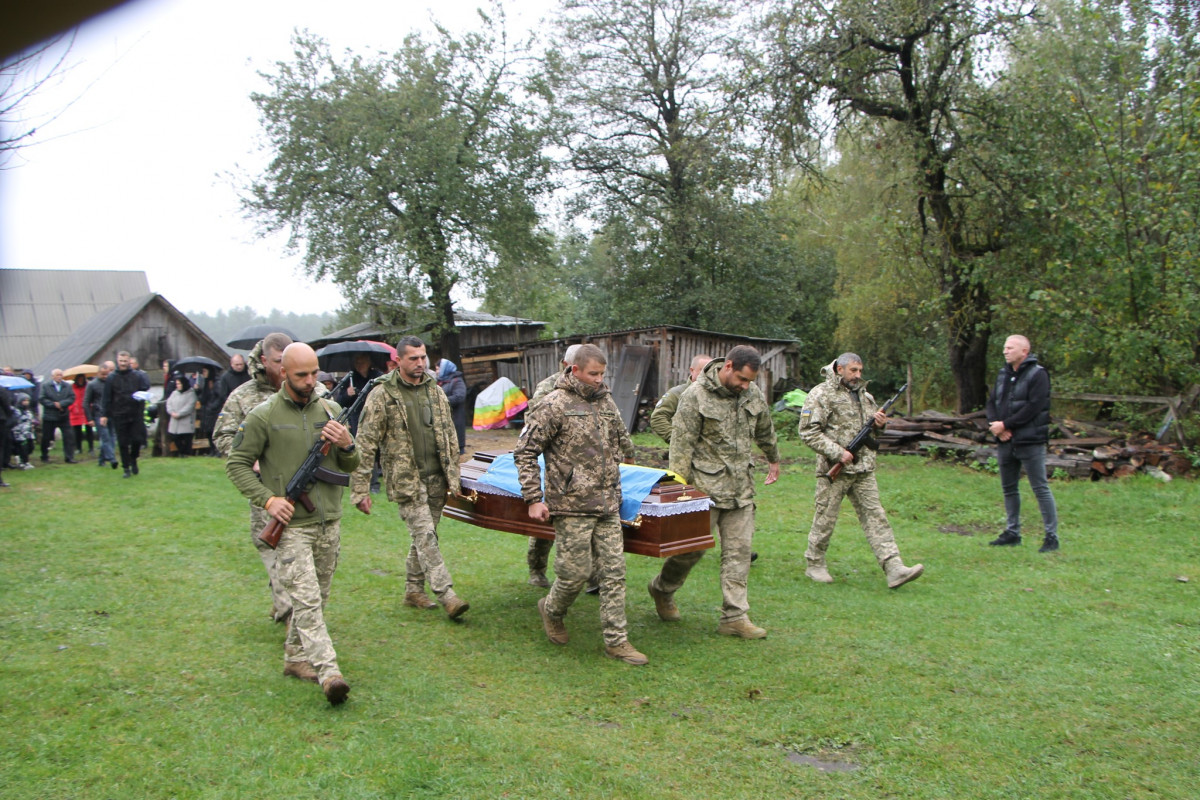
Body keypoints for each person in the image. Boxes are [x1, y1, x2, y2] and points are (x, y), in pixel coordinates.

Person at [225, 342, 359, 705]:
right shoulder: (262, 415)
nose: (310, 381)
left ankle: (295, 657)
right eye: (302, 375)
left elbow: (351, 466)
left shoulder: (331, 410)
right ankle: (329, 673)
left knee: (320, 595)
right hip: (292, 527)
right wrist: (268, 499)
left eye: (315, 373)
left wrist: (348, 445)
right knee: (308, 598)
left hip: (328, 520)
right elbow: (236, 464)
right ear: (282, 373)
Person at [514, 343, 646, 665]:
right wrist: (533, 498)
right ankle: (552, 609)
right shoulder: (553, 405)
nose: (599, 380)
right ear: (574, 370)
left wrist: (628, 454)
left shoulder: (605, 400)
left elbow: (618, 434)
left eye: (602, 374)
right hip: (571, 505)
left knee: (613, 574)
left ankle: (617, 642)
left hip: (607, 503)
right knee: (574, 574)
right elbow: (525, 452)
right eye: (593, 374)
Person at [647, 346, 781, 639]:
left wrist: (773, 456)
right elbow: (680, 446)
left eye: (750, 381)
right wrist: (679, 491)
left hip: (740, 489)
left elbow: (764, 427)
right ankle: (662, 589)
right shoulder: (695, 396)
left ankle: (734, 617)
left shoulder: (750, 393)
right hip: (703, 490)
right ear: (728, 366)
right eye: (742, 379)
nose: (746, 386)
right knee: (690, 552)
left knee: (739, 552)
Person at [351, 336, 470, 619]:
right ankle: (447, 594)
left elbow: (449, 435)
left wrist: (454, 473)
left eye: (423, 357)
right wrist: (360, 488)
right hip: (406, 480)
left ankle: (413, 590)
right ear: (399, 361)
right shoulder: (383, 394)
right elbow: (365, 443)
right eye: (413, 358)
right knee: (426, 536)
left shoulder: (436, 391)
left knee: (425, 535)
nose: (420, 363)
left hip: (437, 478)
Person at [798, 353, 924, 589]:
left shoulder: (866, 397)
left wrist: (880, 426)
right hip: (834, 470)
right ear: (839, 370)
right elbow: (808, 432)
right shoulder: (821, 394)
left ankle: (893, 567)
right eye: (853, 371)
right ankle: (814, 563)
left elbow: (874, 436)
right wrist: (838, 453)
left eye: (859, 371)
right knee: (825, 518)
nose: (858, 375)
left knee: (876, 517)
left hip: (864, 469)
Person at [213, 333, 301, 624]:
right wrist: (249, 460)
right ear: (264, 361)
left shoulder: (302, 390)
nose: (284, 367)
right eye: (278, 362)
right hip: (264, 490)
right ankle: (289, 612)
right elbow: (222, 435)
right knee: (271, 547)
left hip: (302, 487)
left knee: (300, 551)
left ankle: (282, 603)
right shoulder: (243, 396)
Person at [986, 334, 1059, 552]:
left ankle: (1051, 537)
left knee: (1040, 487)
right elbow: (992, 402)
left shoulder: (1038, 375)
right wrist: (996, 427)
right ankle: (1012, 532)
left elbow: (1034, 407)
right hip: (1005, 440)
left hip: (1030, 440)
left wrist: (1007, 424)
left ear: (1024, 352)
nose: (1005, 351)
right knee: (1009, 488)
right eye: (1004, 347)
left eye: (1010, 348)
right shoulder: (1002, 374)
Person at [524, 344, 582, 588]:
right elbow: (534, 423)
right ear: (564, 365)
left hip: (584, 464)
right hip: (554, 462)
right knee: (546, 523)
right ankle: (537, 569)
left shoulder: (593, 387)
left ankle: (589, 575)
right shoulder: (548, 387)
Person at [101, 352, 150, 478]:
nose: (123, 363)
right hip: (119, 414)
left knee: (137, 440)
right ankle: (126, 468)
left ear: (129, 361)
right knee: (123, 442)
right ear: (117, 361)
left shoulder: (136, 375)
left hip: (135, 413)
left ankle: (133, 458)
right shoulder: (111, 378)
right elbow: (106, 397)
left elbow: (145, 388)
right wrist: (104, 414)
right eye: (121, 361)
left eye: (125, 361)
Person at [649, 354, 712, 443]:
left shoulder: (716, 395)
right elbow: (658, 417)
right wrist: (676, 441)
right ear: (692, 370)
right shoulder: (677, 393)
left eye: (710, 371)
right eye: (703, 371)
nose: (707, 375)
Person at [334, 352, 383, 435]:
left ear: (369, 363)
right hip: (356, 418)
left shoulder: (377, 376)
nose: (359, 365)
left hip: (375, 415)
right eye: (357, 363)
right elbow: (339, 401)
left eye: (362, 363)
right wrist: (347, 394)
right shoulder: (350, 377)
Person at [39, 369, 78, 463]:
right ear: (52, 376)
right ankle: (44, 455)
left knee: (69, 436)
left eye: (61, 375)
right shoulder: (46, 386)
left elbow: (72, 397)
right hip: (50, 416)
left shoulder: (67, 386)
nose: (59, 376)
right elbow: (42, 399)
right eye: (57, 375)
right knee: (47, 437)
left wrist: (61, 404)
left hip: (63, 415)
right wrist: (54, 405)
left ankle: (69, 457)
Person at [435, 357, 468, 456]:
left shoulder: (456, 381)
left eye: (438, 369)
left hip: (455, 419)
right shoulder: (441, 382)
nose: (436, 371)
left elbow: (460, 396)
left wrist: (441, 401)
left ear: (445, 368)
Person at [166, 376, 197, 456]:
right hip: (175, 421)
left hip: (186, 421)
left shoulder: (191, 393)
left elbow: (189, 406)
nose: (178, 385)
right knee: (175, 438)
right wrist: (171, 412)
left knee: (187, 439)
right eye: (177, 384)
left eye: (179, 384)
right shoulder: (174, 393)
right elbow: (169, 403)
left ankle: (186, 454)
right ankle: (181, 453)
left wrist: (179, 414)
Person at [69, 374, 95, 456]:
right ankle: (78, 448)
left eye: (82, 379)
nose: (80, 381)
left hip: (86, 410)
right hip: (76, 411)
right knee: (77, 431)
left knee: (89, 430)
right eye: (79, 379)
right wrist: (72, 407)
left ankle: (91, 448)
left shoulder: (88, 386)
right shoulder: (72, 387)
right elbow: (69, 397)